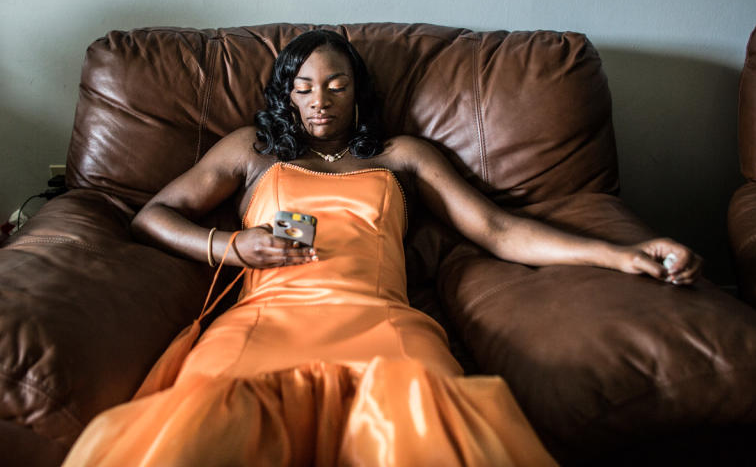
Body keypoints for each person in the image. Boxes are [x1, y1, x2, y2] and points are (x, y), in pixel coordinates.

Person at [62, 30, 702, 467]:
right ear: (285, 90)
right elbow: (152, 216)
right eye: (305, 87)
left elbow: (498, 230)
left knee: (423, 425)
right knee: (199, 433)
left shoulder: (403, 156)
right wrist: (230, 244)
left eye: (336, 86)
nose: (319, 101)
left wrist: (621, 254)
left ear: (358, 91)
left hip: (381, 321)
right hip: (263, 322)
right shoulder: (252, 150)